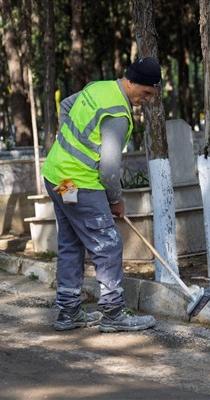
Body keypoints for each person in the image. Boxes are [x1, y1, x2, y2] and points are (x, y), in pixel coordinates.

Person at [41, 57, 162, 333]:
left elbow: (66, 106)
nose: (147, 100)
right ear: (130, 81)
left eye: (152, 96)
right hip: (80, 184)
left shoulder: (99, 87)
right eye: (145, 93)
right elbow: (108, 170)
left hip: (57, 178)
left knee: (71, 242)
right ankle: (113, 313)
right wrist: (115, 200)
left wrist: (66, 140)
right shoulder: (118, 115)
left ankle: (68, 312)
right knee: (107, 244)